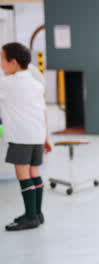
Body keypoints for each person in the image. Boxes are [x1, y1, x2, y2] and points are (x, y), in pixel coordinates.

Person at [0, 42, 52, 231]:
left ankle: (30, 217)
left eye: (2, 60)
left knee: (23, 175)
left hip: (21, 137)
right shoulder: (35, 84)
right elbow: (42, 111)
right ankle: (37, 214)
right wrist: (46, 137)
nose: (1, 65)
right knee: (34, 174)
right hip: (37, 135)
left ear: (13, 63)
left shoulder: (7, 84)